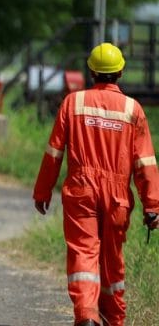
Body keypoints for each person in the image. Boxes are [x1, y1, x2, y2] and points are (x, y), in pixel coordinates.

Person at [33, 43, 159, 326]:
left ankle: (87, 314)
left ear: (91, 71)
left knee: (83, 252)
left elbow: (54, 153)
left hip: (81, 191)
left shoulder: (72, 103)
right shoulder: (132, 109)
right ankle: (113, 318)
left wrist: (42, 191)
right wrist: (152, 205)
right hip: (117, 196)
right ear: (122, 71)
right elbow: (145, 163)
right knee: (112, 258)